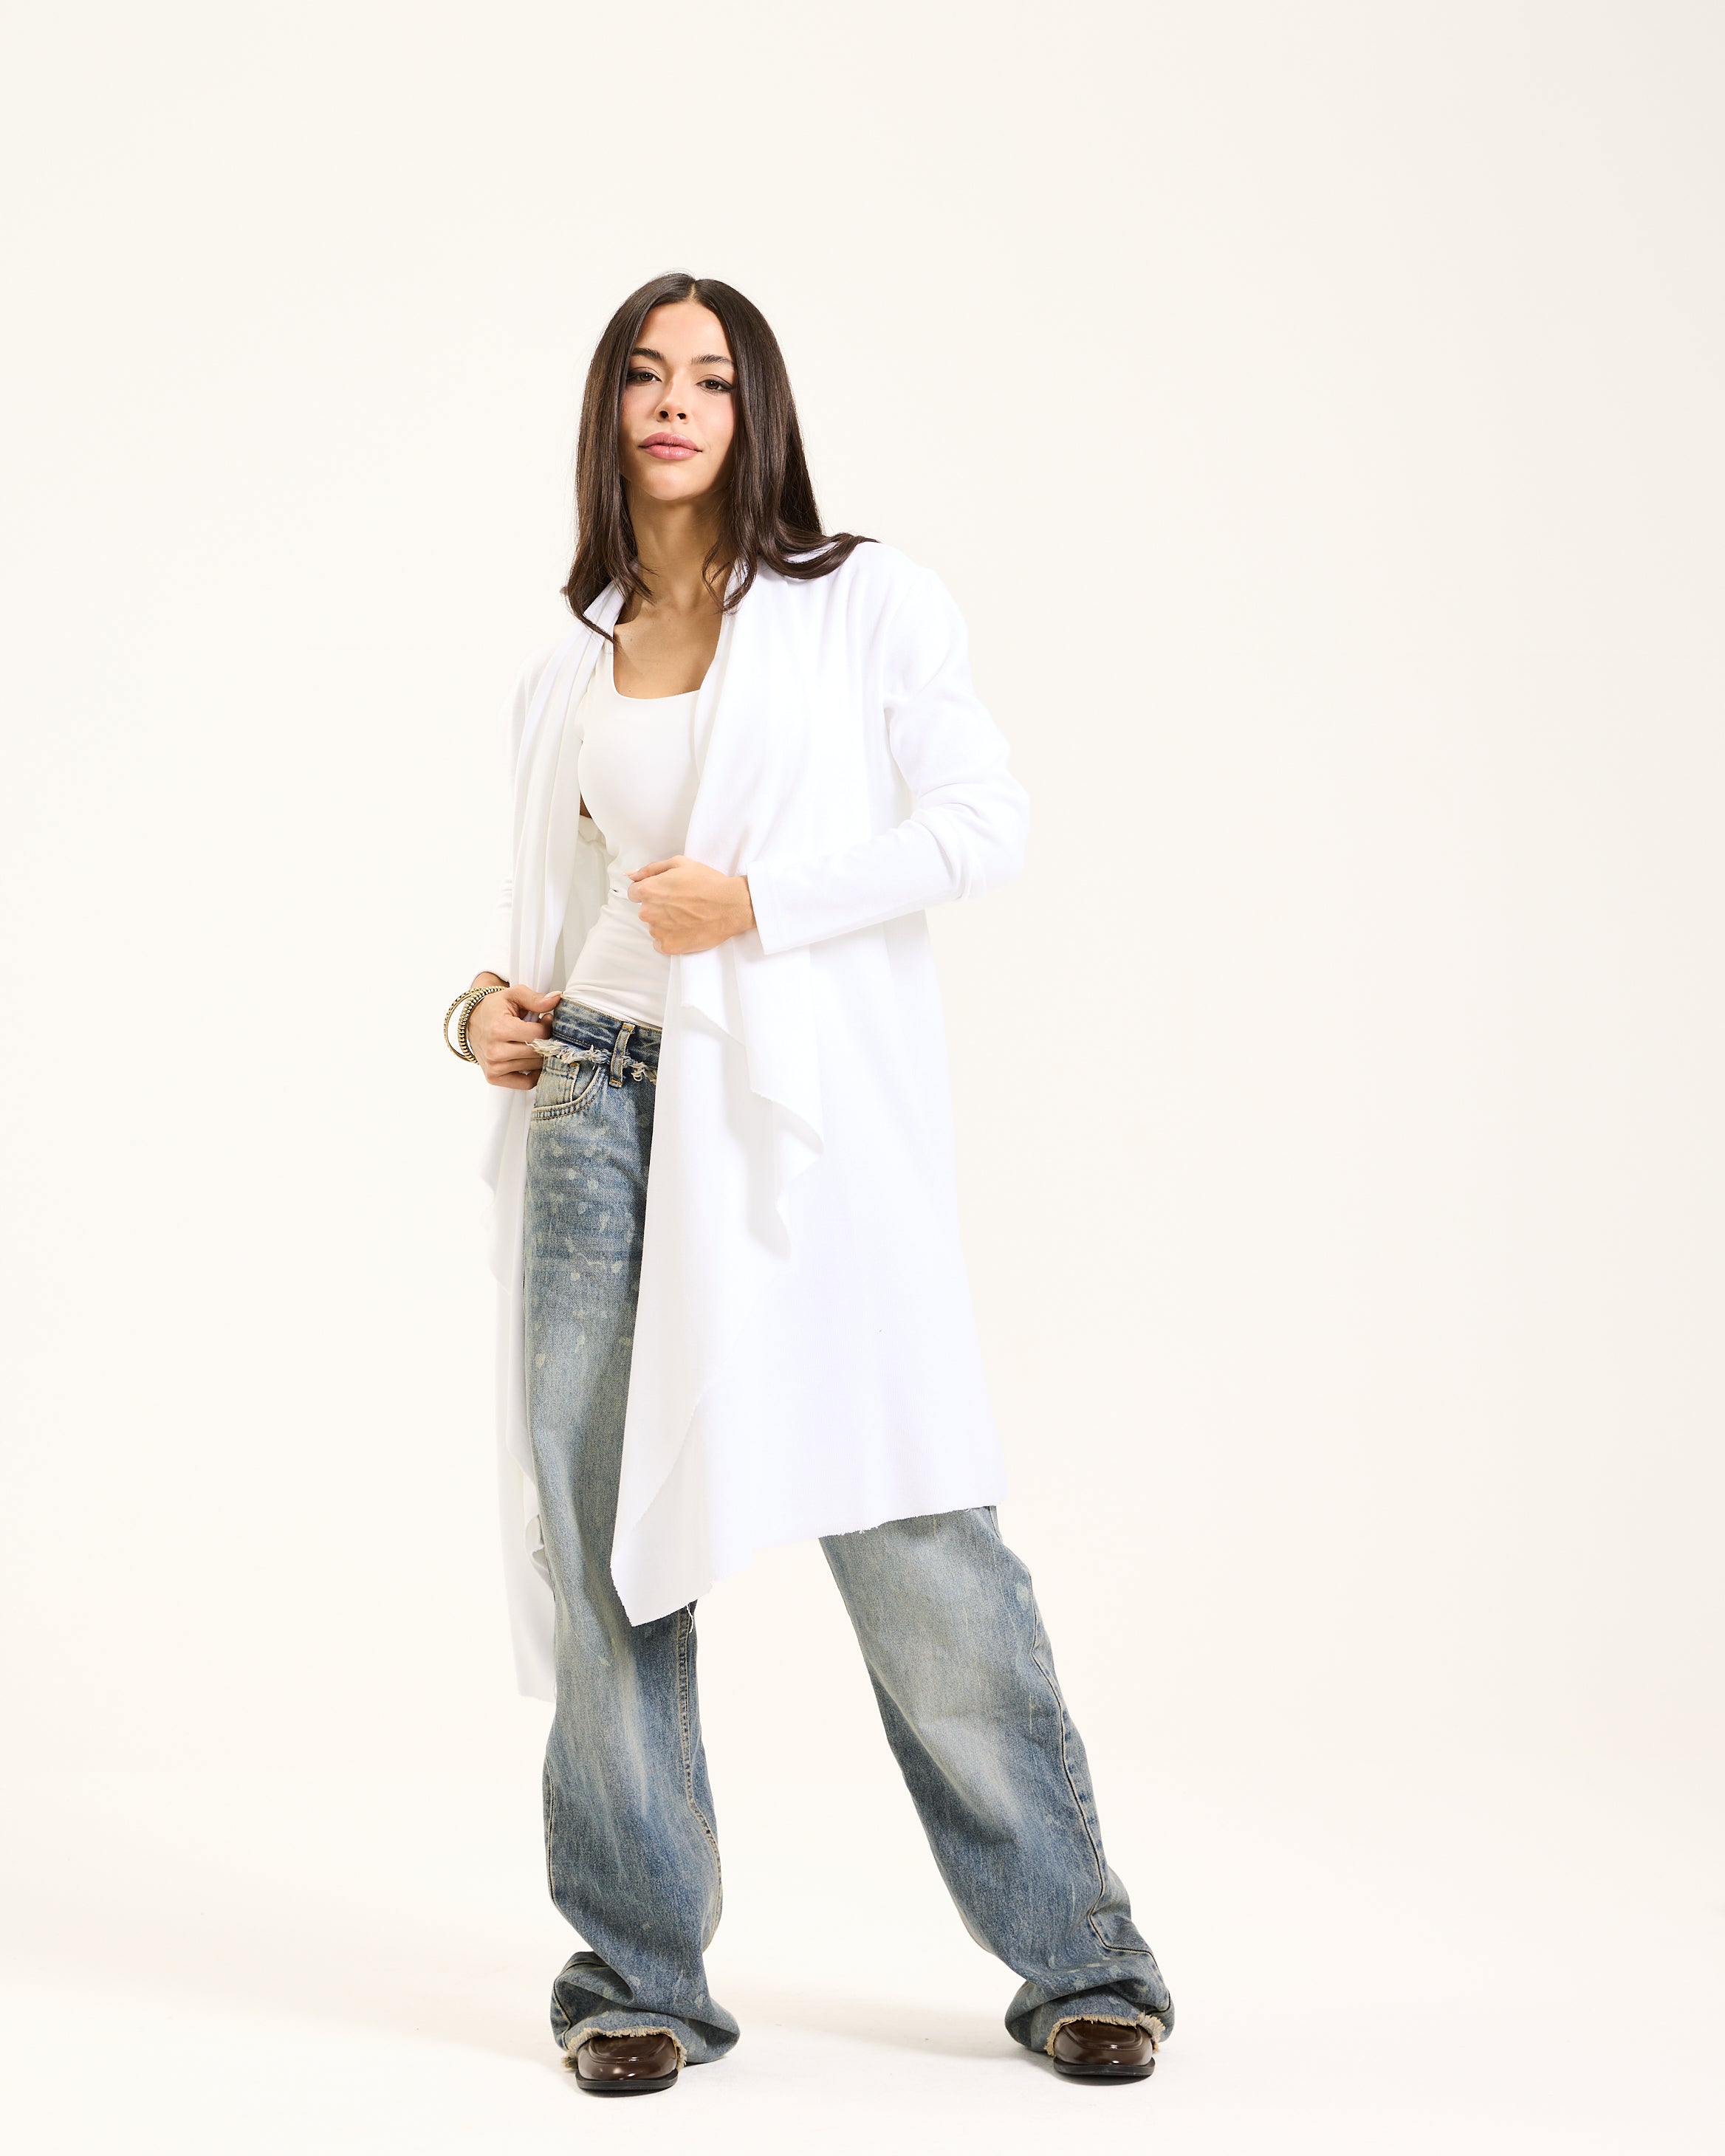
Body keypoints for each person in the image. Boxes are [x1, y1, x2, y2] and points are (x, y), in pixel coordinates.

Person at [446, 271, 1174, 2095]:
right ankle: (635, 1975)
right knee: (601, 1538)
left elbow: (982, 823)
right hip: (598, 1097)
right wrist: (483, 1008)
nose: (673, 401)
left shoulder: (863, 604)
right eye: (644, 373)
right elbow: (564, 906)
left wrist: (762, 903)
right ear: (608, 412)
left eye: (710, 375)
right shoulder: (571, 659)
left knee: (909, 1513)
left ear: (754, 408)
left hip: (796, 1120)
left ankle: (1080, 1953)